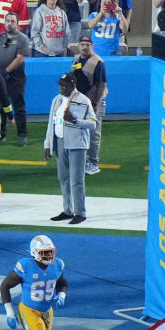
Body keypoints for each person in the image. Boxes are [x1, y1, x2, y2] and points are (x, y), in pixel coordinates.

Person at [44, 73, 96, 225]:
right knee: (63, 178)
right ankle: (68, 210)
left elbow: (93, 123)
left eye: (64, 85)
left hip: (77, 145)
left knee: (76, 180)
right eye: (60, 85)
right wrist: (47, 144)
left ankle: (80, 213)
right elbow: (50, 123)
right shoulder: (57, 100)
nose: (61, 88)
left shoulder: (83, 100)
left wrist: (75, 120)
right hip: (60, 142)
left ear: (73, 85)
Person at [0, 11, 32, 146]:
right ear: (4, 23)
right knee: (1, 106)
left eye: (13, 21)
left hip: (16, 78)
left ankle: (22, 134)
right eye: (7, 21)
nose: (10, 23)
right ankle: (1, 133)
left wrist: (5, 71)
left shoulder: (22, 38)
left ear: (17, 23)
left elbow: (20, 58)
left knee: (18, 106)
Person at [71, 34, 107, 174]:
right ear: (79, 46)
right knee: (80, 131)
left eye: (88, 45)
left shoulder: (98, 62)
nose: (85, 47)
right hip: (80, 101)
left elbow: (101, 84)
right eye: (82, 44)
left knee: (93, 133)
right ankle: (83, 159)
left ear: (92, 46)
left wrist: (95, 103)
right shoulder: (76, 59)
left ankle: (93, 162)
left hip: (93, 102)